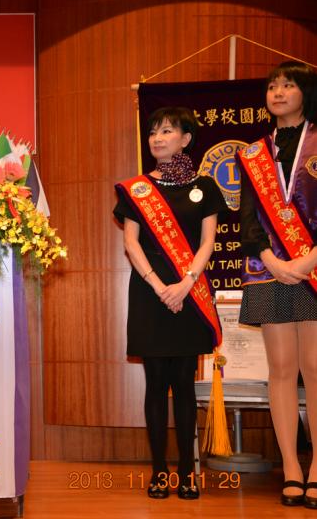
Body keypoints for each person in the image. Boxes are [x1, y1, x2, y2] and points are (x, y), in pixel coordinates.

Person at [114, 107, 227, 500]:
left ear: (185, 139)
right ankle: (159, 470)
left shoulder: (205, 186)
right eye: (153, 132)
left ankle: (187, 472)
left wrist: (185, 284)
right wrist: (160, 285)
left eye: (166, 131)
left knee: (184, 385)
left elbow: (208, 242)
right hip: (150, 293)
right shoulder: (137, 189)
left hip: (189, 293)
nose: (157, 138)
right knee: (155, 384)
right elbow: (131, 243)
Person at [237, 61, 317, 508]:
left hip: (314, 267)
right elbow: (247, 217)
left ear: (306, 92)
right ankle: (290, 466)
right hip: (268, 269)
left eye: (288, 85)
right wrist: (271, 259)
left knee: (315, 368)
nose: (278, 92)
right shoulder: (253, 154)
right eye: (272, 86)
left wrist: (307, 260)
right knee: (281, 370)